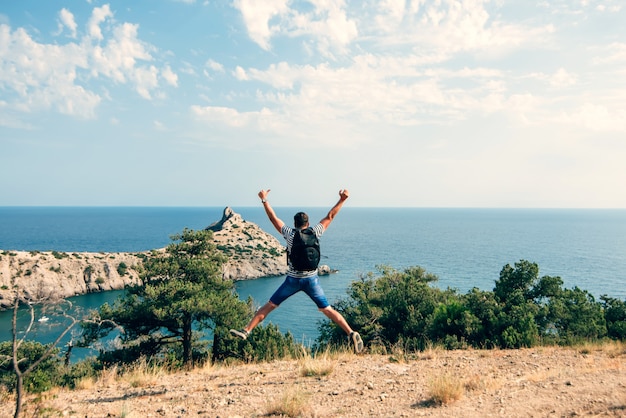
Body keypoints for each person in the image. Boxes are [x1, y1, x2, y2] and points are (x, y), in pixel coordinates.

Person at [230, 189, 364, 354]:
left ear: (295, 224)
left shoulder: (290, 234)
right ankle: (350, 332)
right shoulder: (316, 232)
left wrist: (264, 199)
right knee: (327, 309)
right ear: (307, 224)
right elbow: (330, 216)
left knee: (270, 305)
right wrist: (342, 199)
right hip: (311, 280)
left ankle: (247, 330)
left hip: (292, 281)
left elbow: (273, 218)